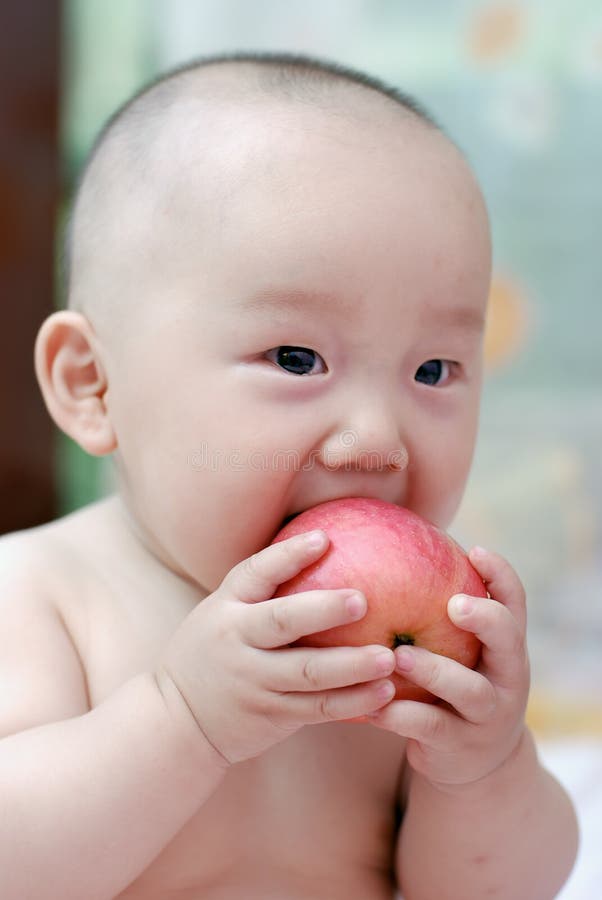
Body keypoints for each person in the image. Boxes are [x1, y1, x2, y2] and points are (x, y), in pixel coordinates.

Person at [0, 52, 578, 899]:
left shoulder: (409, 651)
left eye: (434, 370)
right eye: (297, 357)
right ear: (94, 383)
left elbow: (504, 889)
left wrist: (483, 769)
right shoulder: (42, 596)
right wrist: (184, 719)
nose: (376, 439)